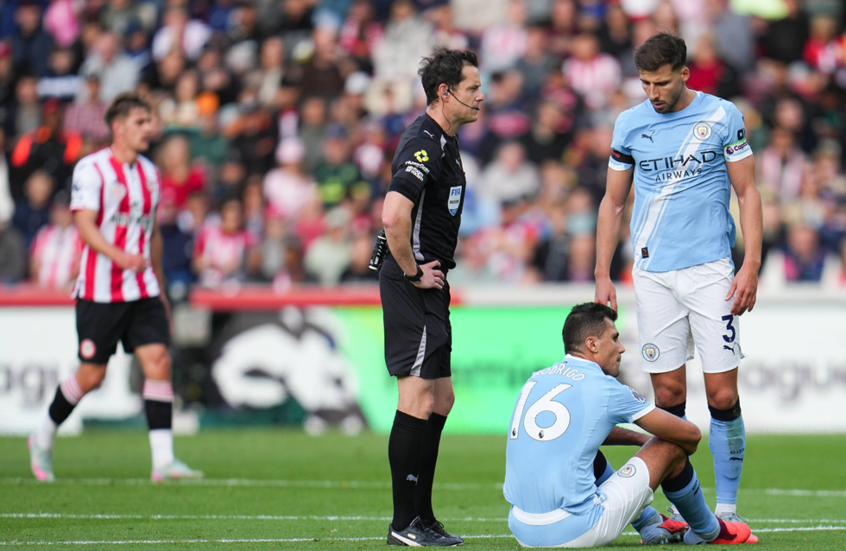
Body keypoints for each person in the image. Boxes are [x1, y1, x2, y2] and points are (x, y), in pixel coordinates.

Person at [594, 32, 762, 527]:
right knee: (667, 399)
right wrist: (602, 273)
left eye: (662, 83)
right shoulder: (629, 124)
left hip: (711, 271)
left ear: (685, 73)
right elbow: (612, 202)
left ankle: (727, 507)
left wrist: (750, 262)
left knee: (722, 397)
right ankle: (687, 507)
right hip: (651, 275)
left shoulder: (722, 116)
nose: (653, 93)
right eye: (645, 83)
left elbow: (748, 193)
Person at [27, 92, 203, 483]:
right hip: (101, 290)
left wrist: (156, 282)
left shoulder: (150, 173)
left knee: (158, 360)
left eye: (150, 122)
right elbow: (84, 224)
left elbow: (152, 232)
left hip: (141, 288)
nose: (150, 129)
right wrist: (118, 256)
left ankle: (163, 461)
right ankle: (42, 437)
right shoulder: (92, 169)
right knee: (92, 375)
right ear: (118, 127)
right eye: (141, 122)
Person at [504, 303, 754, 547]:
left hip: (520, 527)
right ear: (592, 344)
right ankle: (710, 531)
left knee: (581, 453)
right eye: (614, 338)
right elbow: (690, 435)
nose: (621, 348)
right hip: (575, 531)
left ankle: (651, 523)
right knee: (670, 446)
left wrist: (638, 439)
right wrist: (658, 447)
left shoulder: (536, 379)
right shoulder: (604, 387)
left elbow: (575, 433)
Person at [379, 47, 483, 547]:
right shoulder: (423, 141)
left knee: (442, 397)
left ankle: (423, 514)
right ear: (446, 93)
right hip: (413, 283)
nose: (480, 97)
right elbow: (393, 215)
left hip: (431, 283)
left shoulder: (446, 140)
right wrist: (412, 270)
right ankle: (405, 523)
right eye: (472, 89)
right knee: (417, 397)